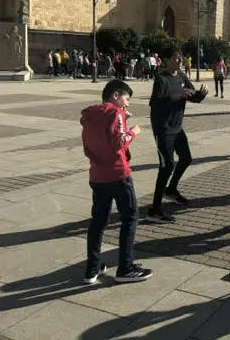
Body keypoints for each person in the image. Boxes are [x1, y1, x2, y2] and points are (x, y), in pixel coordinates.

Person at [80, 79, 153, 283]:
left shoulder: (90, 115)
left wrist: (123, 121)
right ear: (115, 95)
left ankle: (93, 268)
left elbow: (94, 144)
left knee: (98, 222)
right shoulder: (115, 112)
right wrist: (133, 131)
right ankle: (125, 267)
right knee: (130, 217)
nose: (127, 104)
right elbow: (119, 142)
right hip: (118, 174)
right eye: (126, 98)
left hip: (97, 175)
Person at [148, 46, 209, 223]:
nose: (180, 60)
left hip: (177, 127)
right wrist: (177, 95)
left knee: (186, 158)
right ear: (166, 60)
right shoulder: (161, 79)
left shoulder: (182, 77)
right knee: (166, 166)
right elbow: (156, 104)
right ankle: (154, 210)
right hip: (163, 129)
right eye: (176, 57)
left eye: (181, 57)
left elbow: (193, 97)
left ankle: (171, 190)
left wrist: (201, 94)